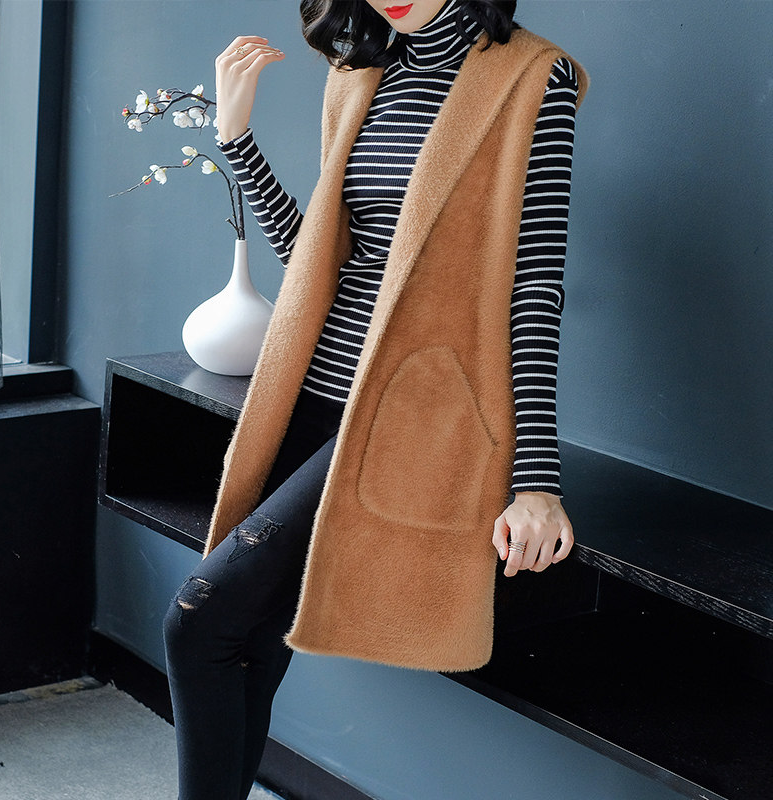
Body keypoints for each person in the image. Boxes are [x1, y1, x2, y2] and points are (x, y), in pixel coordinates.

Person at [162, 2, 587, 798]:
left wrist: (537, 481)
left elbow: (533, 289)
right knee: (248, 640)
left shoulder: (535, 76)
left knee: (199, 618)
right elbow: (318, 255)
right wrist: (235, 137)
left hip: (409, 415)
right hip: (310, 393)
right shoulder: (359, 75)